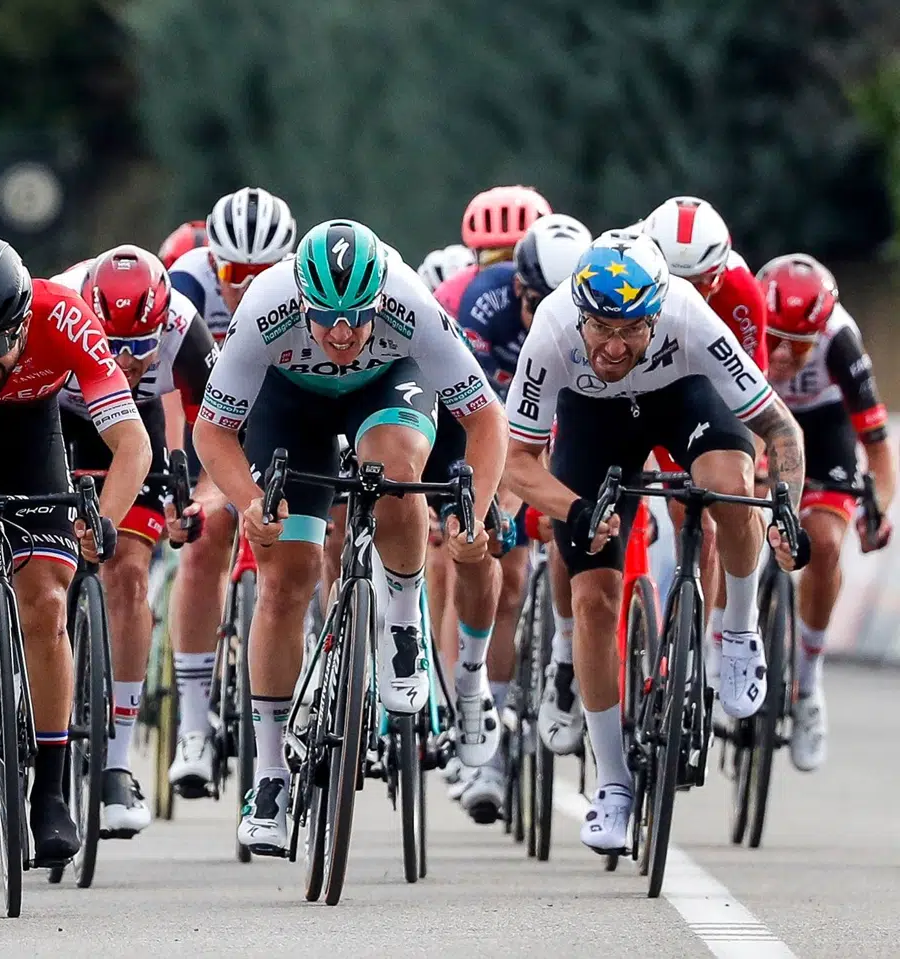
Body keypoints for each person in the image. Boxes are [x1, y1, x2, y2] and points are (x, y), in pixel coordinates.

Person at [195, 219, 508, 853]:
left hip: (385, 387)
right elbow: (212, 432)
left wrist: (476, 506)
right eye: (326, 319)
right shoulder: (264, 306)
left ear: (378, 301)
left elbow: (485, 418)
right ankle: (272, 777)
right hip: (293, 403)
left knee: (395, 474)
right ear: (301, 301)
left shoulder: (409, 301)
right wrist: (251, 503)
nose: (341, 334)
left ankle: (401, 622)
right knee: (288, 578)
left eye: (357, 319)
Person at [504, 229, 807, 853]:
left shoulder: (688, 315)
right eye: (602, 330)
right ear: (580, 313)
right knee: (594, 599)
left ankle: (740, 630)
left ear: (658, 314)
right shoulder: (554, 329)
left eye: (632, 331)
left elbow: (779, 428)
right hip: (593, 420)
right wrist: (577, 509)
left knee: (730, 483)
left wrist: (787, 513)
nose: (614, 347)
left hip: (680, 399)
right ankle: (613, 783)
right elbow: (515, 461)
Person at [0, 237, 151, 865]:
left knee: (44, 603)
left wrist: (107, 520)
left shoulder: (65, 315)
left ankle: (49, 787)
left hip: (31, 439)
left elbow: (133, 445)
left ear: (24, 322)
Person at [51, 245, 217, 834]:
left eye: (140, 350)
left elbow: (219, 426)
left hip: (134, 430)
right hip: (57, 422)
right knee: (43, 563)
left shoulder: (183, 329)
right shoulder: (58, 308)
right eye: (112, 347)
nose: (125, 363)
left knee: (126, 570)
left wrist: (192, 496)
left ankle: (117, 761)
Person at [438, 213, 592, 822]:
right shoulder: (482, 300)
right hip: (485, 417)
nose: (539, 317)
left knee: (551, 540)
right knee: (498, 574)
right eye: (532, 302)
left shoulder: (591, 318)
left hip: (558, 421)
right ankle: (484, 741)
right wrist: (489, 496)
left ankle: (561, 662)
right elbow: (467, 414)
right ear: (516, 286)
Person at [163, 187, 300, 800]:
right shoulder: (186, 281)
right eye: (233, 273)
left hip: (276, 406)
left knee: (307, 532)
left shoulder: (305, 287)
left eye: (261, 274)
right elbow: (168, 385)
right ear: (211, 260)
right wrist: (186, 482)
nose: (245, 286)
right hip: (201, 410)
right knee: (205, 533)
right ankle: (193, 721)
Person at [758, 253, 894, 771]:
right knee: (732, 514)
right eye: (778, 339)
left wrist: (876, 509)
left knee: (827, 544)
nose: (788, 354)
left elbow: (878, 448)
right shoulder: (745, 319)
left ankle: (809, 684)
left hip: (823, 425)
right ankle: (725, 647)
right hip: (758, 415)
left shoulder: (840, 341)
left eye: (801, 342)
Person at [640, 195, 772, 688]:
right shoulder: (628, 268)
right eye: (673, 284)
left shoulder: (742, 292)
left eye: (696, 286)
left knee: (725, 500)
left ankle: (735, 629)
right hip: (648, 383)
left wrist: (751, 469)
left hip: (710, 387)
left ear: (717, 276)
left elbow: (750, 396)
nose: (683, 297)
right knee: (679, 507)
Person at [431, 186, 551, 316]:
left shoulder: (564, 286)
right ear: (474, 255)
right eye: (494, 258)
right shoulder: (452, 297)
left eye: (518, 259)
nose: (508, 273)